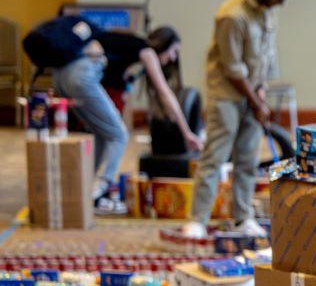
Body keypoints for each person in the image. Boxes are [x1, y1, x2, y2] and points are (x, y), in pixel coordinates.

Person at [182, 0, 303, 239]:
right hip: (226, 95)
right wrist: (255, 99)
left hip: (252, 93)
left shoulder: (268, 12)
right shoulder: (232, 16)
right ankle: (197, 220)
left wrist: (260, 94)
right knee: (215, 157)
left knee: (247, 159)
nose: (282, 2)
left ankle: (242, 217)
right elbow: (232, 67)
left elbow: (266, 57)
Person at [51, 22, 202, 214]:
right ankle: (100, 193)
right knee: (120, 135)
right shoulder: (146, 51)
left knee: (101, 134)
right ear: (164, 44)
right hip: (81, 74)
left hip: (62, 76)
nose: (173, 58)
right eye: (174, 51)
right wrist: (187, 132)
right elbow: (166, 95)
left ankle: (85, 190)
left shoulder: (128, 51)